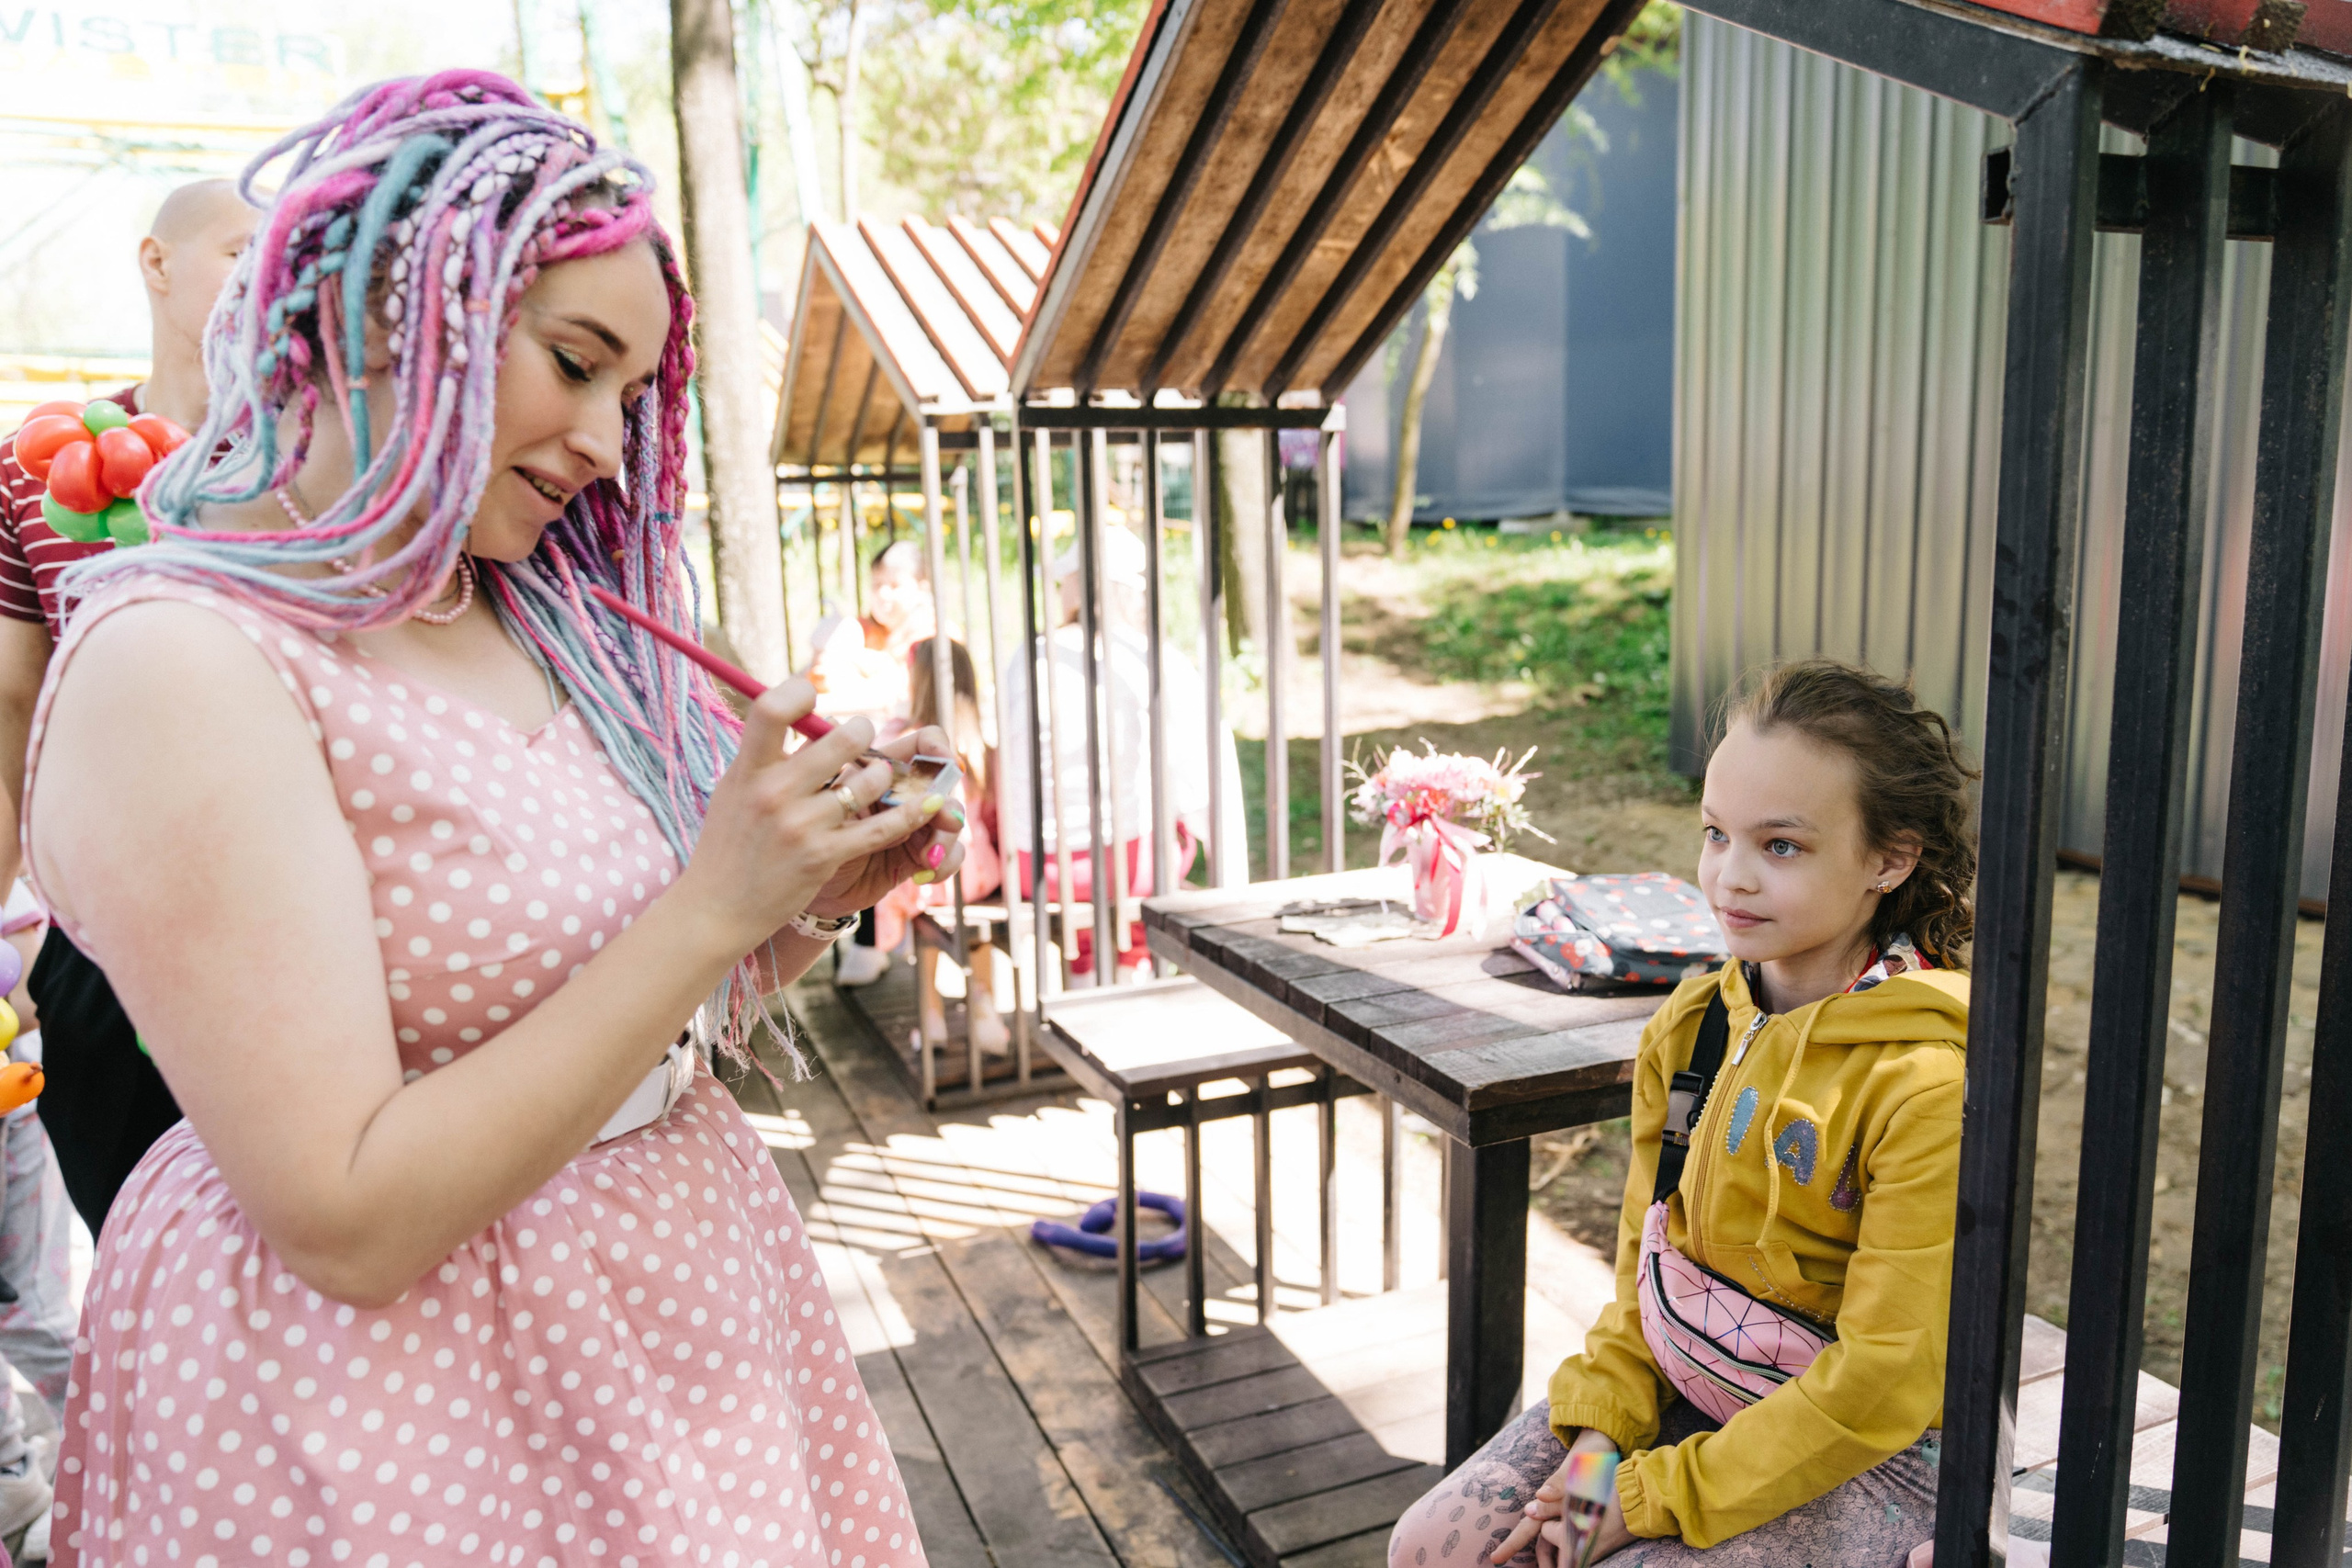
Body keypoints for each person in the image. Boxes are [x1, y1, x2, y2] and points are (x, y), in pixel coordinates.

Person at [26, 73, 961, 1565]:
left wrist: (804, 895)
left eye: (631, 393)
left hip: (670, 1328)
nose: (604, 436)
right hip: (398, 1416)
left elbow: (638, 1015)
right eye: (575, 362)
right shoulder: (183, 665)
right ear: (386, 308)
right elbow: (348, 1217)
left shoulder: (525, 606)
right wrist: (711, 903)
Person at [1386, 660, 1977, 1565]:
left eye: (1779, 846)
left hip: (1863, 1455)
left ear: (1889, 858)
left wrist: (1649, 1498)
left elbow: (1882, 1385)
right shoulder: (1692, 1025)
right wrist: (1595, 1449)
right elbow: (1643, 1270)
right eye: (1715, 834)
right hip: (1682, 1378)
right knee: (1432, 1546)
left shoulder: (1922, 1082)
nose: (1728, 879)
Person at [0, 178, 259, 1234]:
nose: (264, 281)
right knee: (149, 1267)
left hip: (300, 939)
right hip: (100, 956)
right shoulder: (41, 468)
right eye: (240, 252)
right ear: (157, 263)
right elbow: (11, 706)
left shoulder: (331, 469)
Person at [997, 525, 1243, 982]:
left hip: (1042, 868)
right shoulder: (1153, 657)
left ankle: (1085, 965)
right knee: (1169, 823)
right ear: (1134, 593)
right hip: (1133, 865)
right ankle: (1132, 963)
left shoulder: (1027, 658)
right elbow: (1200, 779)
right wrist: (1231, 878)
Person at [873, 637, 1007, 1051]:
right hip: (977, 871)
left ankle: (931, 1018)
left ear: (920, 684)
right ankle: (985, 1008)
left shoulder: (914, 742)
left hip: (932, 871)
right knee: (976, 928)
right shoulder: (979, 744)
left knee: (919, 908)